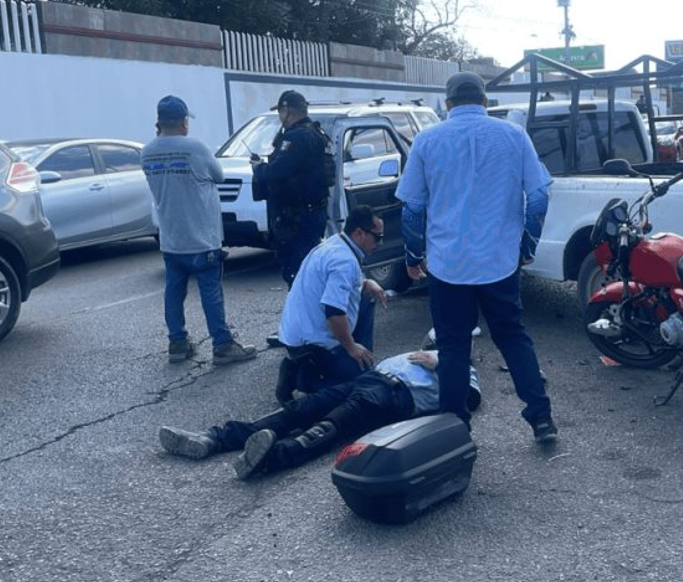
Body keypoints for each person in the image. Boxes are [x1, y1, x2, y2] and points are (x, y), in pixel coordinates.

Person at [396, 72, 558, 443]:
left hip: (448, 264)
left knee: (452, 346)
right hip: (499, 262)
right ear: (484, 101)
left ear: (447, 103)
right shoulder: (513, 136)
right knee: (513, 338)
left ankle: (455, 429)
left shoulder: (427, 139)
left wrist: (412, 255)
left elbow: (412, 209)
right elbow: (538, 198)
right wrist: (527, 247)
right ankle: (541, 419)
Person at [158, 351, 481, 479]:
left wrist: (442, 364)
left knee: (336, 421)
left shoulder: (461, 367)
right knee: (301, 409)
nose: (433, 344)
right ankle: (213, 438)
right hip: (368, 381)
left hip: (396, 396)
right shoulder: (411, 352)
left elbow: (471, 400)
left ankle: (271, 458)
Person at [141, 95, 258, 365]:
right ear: (183, 121)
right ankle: (222, 344)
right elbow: (218, 175)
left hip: (170, 238)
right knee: (210, 292)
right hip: (202, 238)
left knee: (173, 292)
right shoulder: (196, 148)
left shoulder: (147, 152)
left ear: (159, 122)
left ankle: (177, 343)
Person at [275, 208, 387, 396]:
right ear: (359, 233)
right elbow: (334, 312)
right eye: (378, 237)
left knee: (368, 296)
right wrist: (351, 347)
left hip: (299, 336)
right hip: (311, 346)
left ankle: (360, 359)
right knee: (358, 387)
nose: (380, 243)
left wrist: (368, 282)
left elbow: (349, 286)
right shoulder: (344, 261)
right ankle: (300, 377)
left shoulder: (336, 244)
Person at [251, 89, 332, 288]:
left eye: (280, 112)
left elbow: (278, 171)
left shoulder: (296, 137)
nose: (280, 117)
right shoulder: (316, 133)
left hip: (297, 218)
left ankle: (303, 316)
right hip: (313, 212)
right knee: (309, 270)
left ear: (287, 110)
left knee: (296, 274)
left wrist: (259, 168)